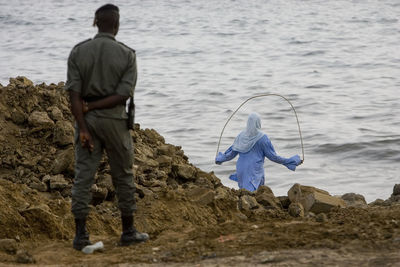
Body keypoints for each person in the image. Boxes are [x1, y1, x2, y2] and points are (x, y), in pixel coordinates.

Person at [65, 4, 148, 250]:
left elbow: (74, 95)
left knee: (83, 177)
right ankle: (128, 231)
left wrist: (83, 125)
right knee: (123, 175)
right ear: (116, 25)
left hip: (86, 121)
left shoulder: (79, 52)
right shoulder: (127, 54)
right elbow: (124, 95)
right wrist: (96, 109)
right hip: (114, 122)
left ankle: (80, 236)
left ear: (95, 23)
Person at [215, 112, 302, 192]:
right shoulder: (262, 138)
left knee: (245, 193)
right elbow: (273, 157)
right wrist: (290, 161)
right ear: (258, 122)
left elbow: (231, 154)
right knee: (250, 194)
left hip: (241, 168)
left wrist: (220, 159)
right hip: (253, 170)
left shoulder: (241, 136)